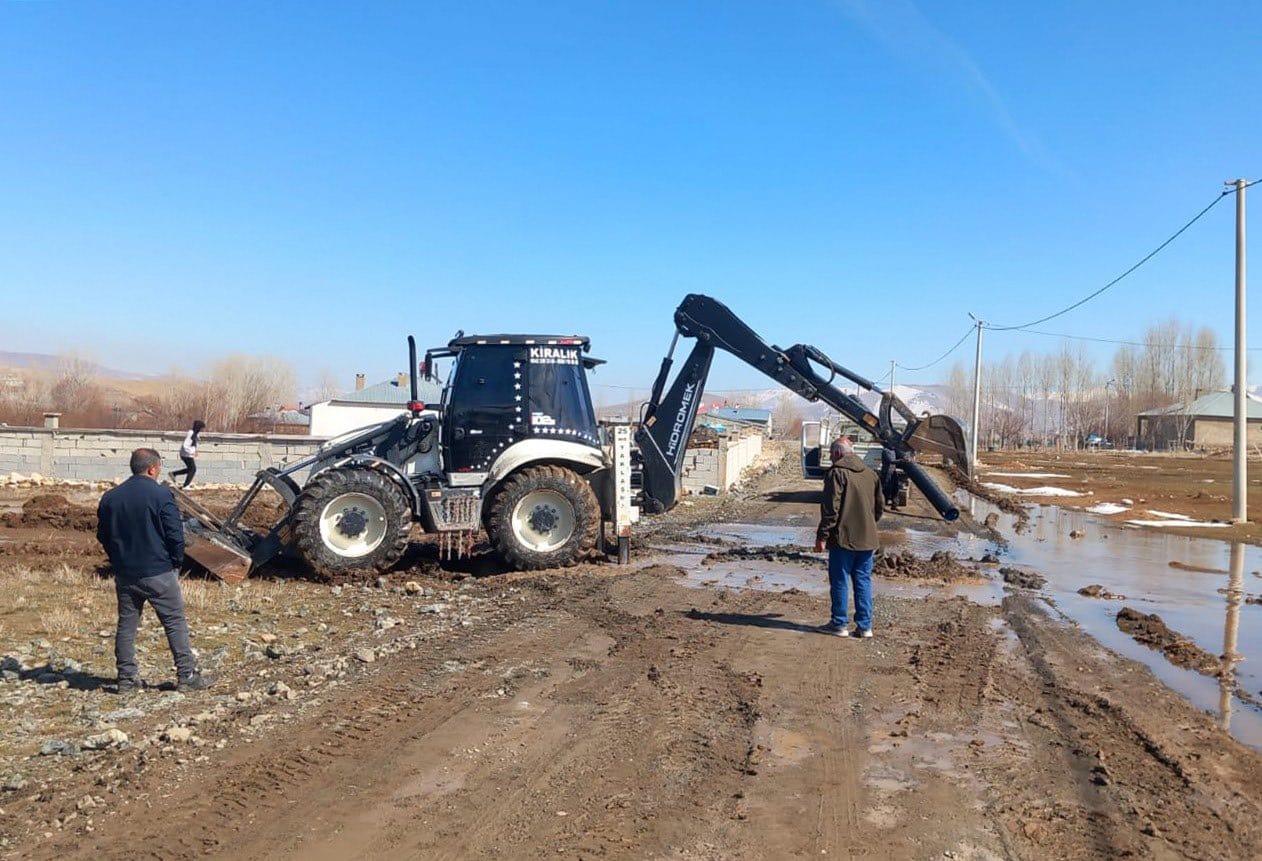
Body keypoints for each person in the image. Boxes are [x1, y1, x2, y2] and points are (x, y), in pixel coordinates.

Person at [97, 448, 215, 693]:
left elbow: (103, 536)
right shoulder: (162, 495)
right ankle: (187, 676)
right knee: (174, 622)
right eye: (159, 466)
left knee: (127, 625)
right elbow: (175, 534)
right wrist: (175, 561)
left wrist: (118, 561)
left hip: (126, 574)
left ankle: (127, 680)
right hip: (159, 571)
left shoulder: (110, 497)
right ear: (152, 468)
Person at [813, 437, 885, 638]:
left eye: (830, 454)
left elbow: (831, 509)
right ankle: (865, 627)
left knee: (840, 579)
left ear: (837, 454)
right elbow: (880, 507)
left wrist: (822, 535)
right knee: (863, 580)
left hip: (842, 538)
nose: (830, 458)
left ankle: (839, 624)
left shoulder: (837, 473)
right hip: (867, 539)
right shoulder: (870, 474)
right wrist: (868, 525)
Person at [169, 419, 205, 488]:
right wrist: (192, 453)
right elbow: (185, 445)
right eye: (201, 428)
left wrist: (195, 451)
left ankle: (174, 474)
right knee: (193, 469)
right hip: (186, 454)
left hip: (187, 454)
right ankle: (186, 485)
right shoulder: (191, 434)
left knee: (190, 469)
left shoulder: (195, 433)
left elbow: (194, 443)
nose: (201, 430)